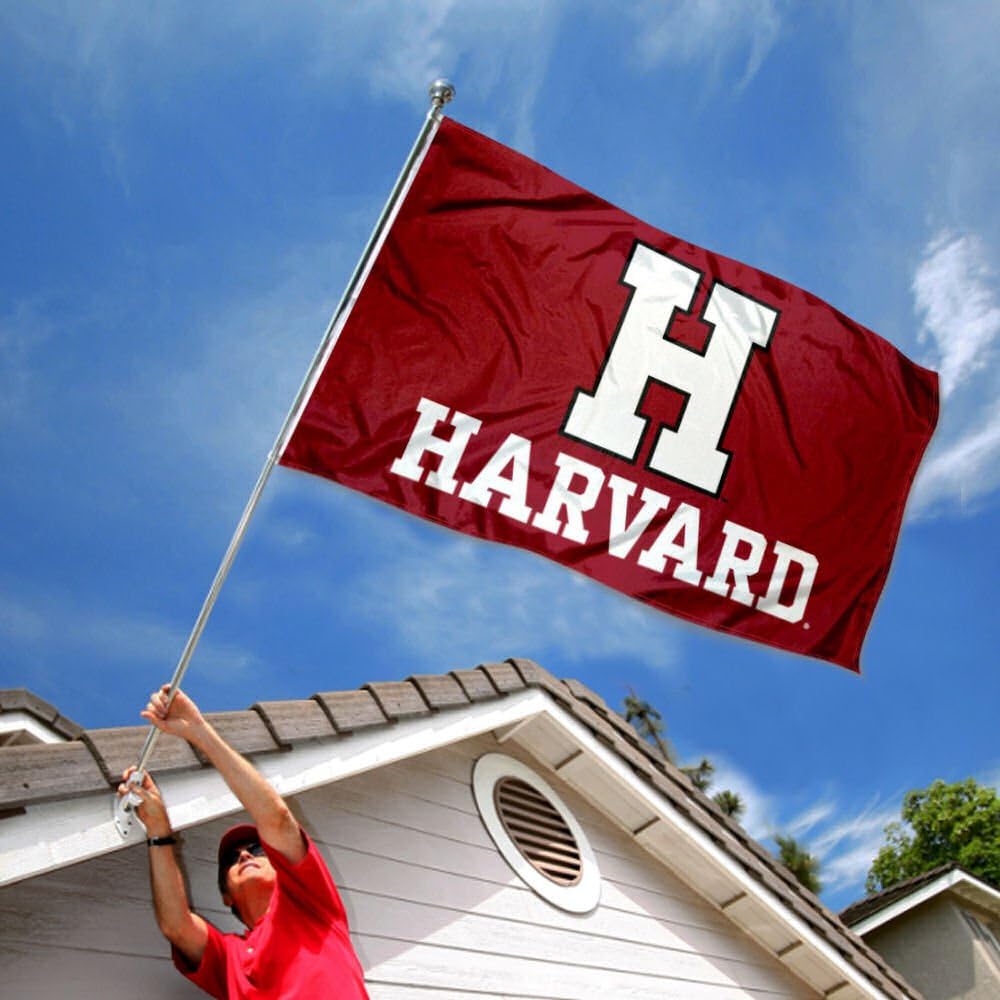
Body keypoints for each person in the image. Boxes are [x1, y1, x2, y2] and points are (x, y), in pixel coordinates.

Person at [117, 684, 370, 999]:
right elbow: (176, 926)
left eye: (256, 849)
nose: (244, 856)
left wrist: (199, 731)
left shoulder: (311, 905)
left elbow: (276, 818)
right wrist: (157, 828)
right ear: (226, 897)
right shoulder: (228, 957)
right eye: (231, 860)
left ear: (282, 871)